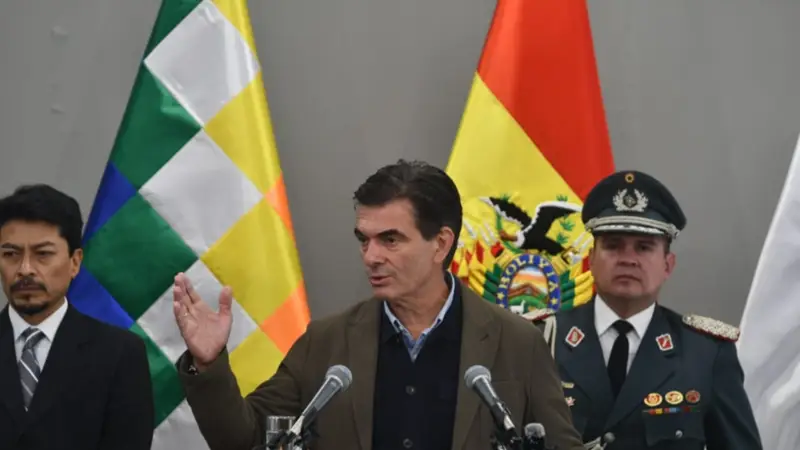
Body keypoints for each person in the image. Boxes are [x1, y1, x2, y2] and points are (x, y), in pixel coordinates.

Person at [173, 159, 585, 450]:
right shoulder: (327, 341)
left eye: (390, 240)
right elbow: (244, 439)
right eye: (364, 240)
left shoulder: (516, 341)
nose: (371, 257)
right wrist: (209, 365)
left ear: (440, 243)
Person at [526, 170, 763, 449]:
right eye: (613, 246)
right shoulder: (540, 341)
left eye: (643, 247)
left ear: (667, 265)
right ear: (591, 260)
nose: (628, 259)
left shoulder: (706, 354)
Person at [0, 184, 154, 450]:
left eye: (43, 254)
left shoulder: (119, 354)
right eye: (10, 254)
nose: (25, 269)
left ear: (75, 262)